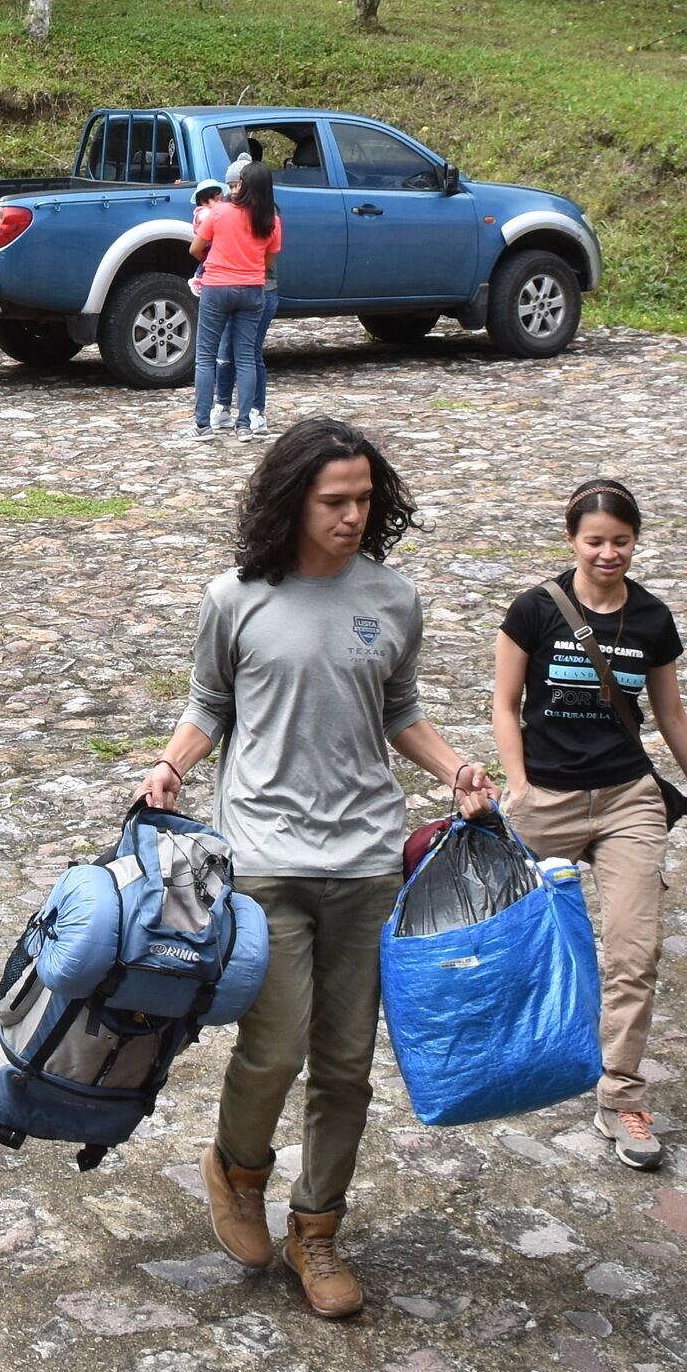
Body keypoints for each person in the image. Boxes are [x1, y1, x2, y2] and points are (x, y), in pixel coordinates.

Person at [143, 419, 495, 1322]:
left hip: (368, 860)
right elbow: (210, 703)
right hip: (264, 856)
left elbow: (401, 710)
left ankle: (318, 1228)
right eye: (333, 500)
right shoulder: (236, 598)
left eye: (364, 501)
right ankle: (237, 1167)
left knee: (345, 1064)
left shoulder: (394, 598)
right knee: (276, 1043)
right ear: (294, 499)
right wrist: (173, 767)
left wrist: (454, 767)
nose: (350, 516)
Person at [494, 477, 687, 1171]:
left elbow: (671, 713)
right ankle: (500, 1058)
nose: (608, 554)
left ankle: (619, 1093)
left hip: (627, 800)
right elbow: (506, 703)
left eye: (620, 542)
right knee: (501, 936)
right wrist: (519, 786)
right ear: (572, 540)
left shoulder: (652, 620)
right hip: (547, 799)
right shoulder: (535, 610)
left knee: (634, 951)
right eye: (595, 541)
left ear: (636, 542)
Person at [190, 158, 281, 438]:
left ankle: (203, 423)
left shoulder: (220, 212)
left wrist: (214, 260)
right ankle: (245, 424)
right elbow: (267, 261)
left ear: (244, 186)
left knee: (206, 356)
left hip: (217, 287)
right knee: (246, 358)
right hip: (253, 289)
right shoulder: (272, 220)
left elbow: (195, 248)